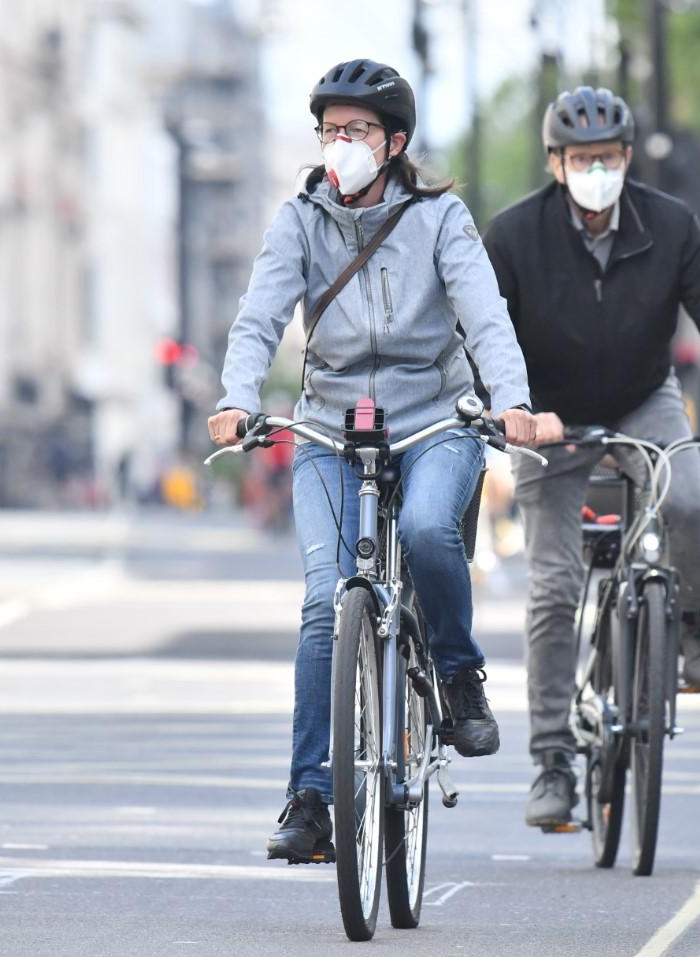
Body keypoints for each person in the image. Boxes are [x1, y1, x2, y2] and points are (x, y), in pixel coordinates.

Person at [206, 59, 536, 863]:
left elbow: (484, 315)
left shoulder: (440, 218)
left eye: (356, 131)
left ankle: (458, 676)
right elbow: (258, 318)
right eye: (329, 130)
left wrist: (512, 398)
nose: (339, 144)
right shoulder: (299, 221)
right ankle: (312, 795)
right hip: (328, 427)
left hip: (433, 419)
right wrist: (235, 397)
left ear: (392, 143)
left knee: (428, 531)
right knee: (326, 603)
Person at [482, 87, 700, 829]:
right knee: (554, 589)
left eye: (610, 158)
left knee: (686, 500)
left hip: (639, 397)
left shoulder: (669, 225)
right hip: (544, 415)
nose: (598, 170)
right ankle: (553, 758)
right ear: (556, 164)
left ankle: (688, 619)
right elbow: (479, 332)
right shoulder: (513, 236)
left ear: (627, 159)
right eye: (583, 159)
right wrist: (507, 415)